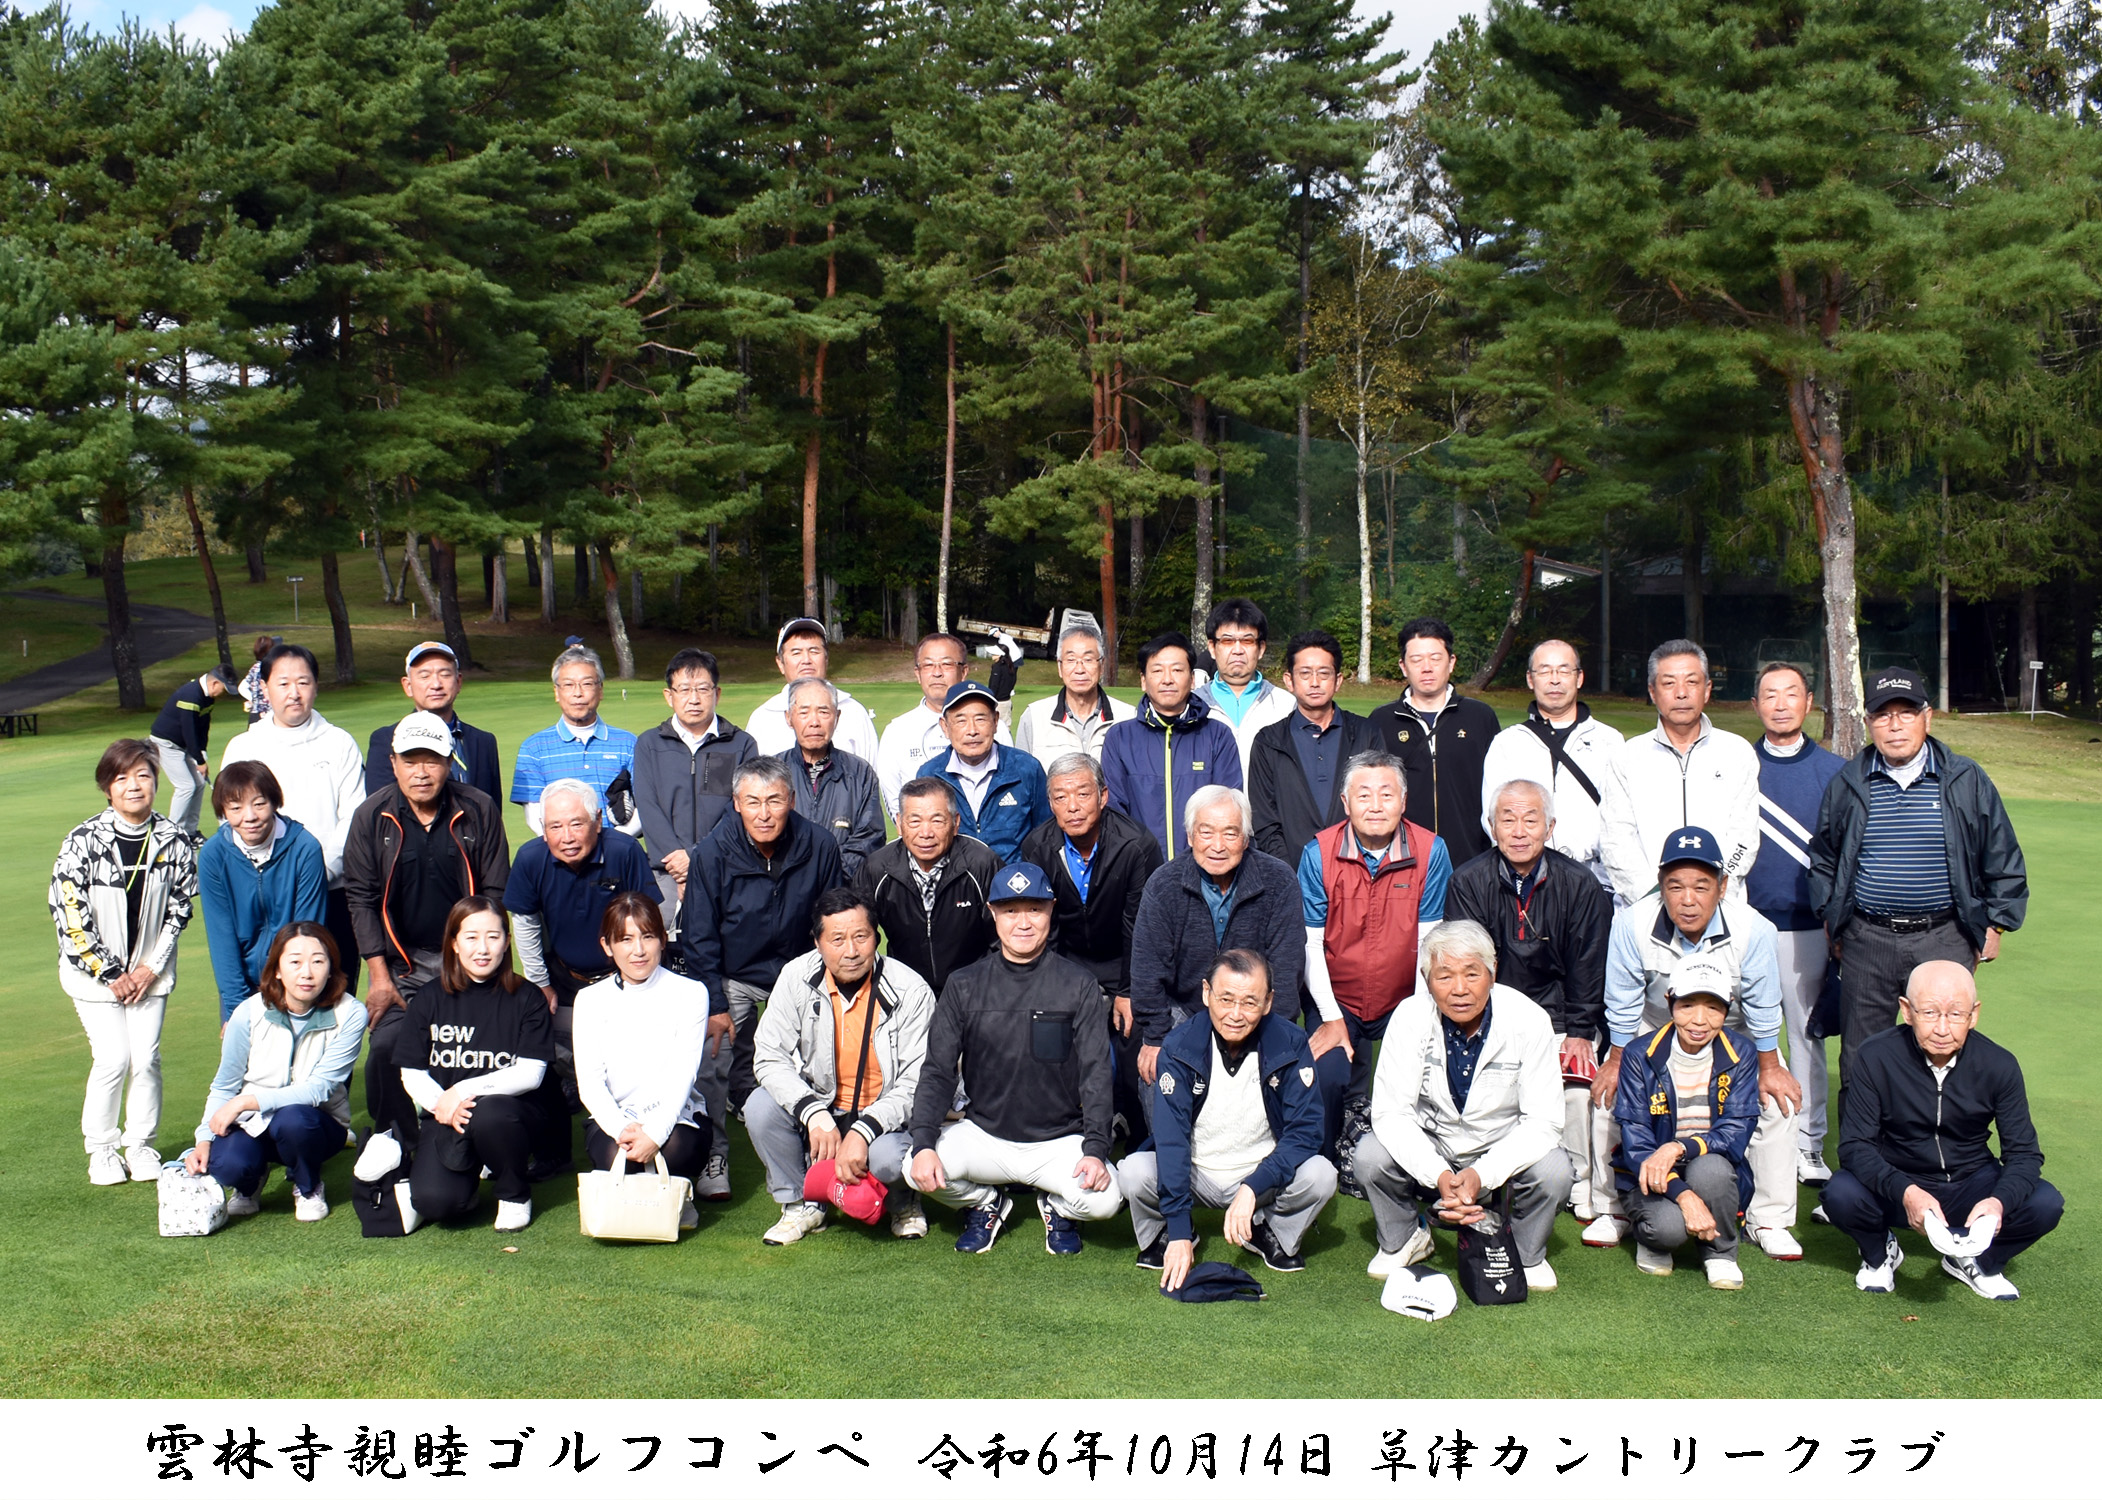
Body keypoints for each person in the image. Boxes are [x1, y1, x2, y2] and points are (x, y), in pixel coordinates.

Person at [1809, 668, 2027, 1092]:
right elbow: (1824, 858)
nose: (1895, 725)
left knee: (1941, 1048)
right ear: (1869, 722)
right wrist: (1830, 916)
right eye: (1883, 715)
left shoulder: (1964, 779)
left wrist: (1997, 923)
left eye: (1906, 713)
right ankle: (1862, 1154)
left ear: (1927, 717)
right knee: (1861, 1054)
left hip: (1943, 935)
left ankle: (1936, 1153)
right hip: (1867, 939)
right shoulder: (1849, 781)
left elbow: (2000, 852)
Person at [1594, 825, 1803, 1259]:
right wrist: (1616, 1060)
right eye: (1675, 886)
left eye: (1701, 886)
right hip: (1655, 1026)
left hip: (1736, 1030)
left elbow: (1764, 1004)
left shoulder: (1754, 929)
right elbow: (1622, 998)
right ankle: (1611, 1206)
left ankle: (1770, 1217)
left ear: (1722, 886)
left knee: (1776, 1102)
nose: (1687, 899)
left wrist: (1768, 1066)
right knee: (1609, 1096)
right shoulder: (1631, 922)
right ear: (1660, 884)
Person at [908, 863, 1123, 1253]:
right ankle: (986, 1203)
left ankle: (1058, 1207)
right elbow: (938, 1071)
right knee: (913, 1165)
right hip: (985, 1137)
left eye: (1034, 909)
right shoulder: (964, 984)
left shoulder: (1078, 984)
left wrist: (1095, 1150)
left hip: (1058, 1141)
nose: (1023, 922)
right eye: (1010, 910)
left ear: (1051, 910)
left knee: (1106, 1201)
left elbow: (1095, 1073)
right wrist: (924, 1141)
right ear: (992, 913)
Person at [1354, 920, 1574, 1289]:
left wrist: (1481, 1175)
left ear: (1493, 973)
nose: (1459, 989)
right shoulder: (1409, 1017)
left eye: (1472, 974)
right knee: (1369, 1156)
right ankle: (1405, 1238)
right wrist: (1439, 1175)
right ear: (1426, 980)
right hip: (1433, 1140)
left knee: (1555, 1170)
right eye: (1444, 976)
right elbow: (1391, 1114)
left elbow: (1543, 1122)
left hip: (1500, 1141)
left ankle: (1523, 1250)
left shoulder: (1530, 1019)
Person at [1823, 961, 2061, 1301]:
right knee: (1840, 1193)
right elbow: (1855, 1147)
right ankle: (1879, 1252)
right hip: (1900, 1180)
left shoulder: (1999, 1064)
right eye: (1930, 1013)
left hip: (1971, 1182)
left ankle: (1977, 1260)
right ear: (1907, 1010)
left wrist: (1997, 1203)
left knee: (2046, 1202)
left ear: (1974, 1015)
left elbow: (2023, 1153)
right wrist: (1907, 1193)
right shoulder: (1876, 1056)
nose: (1942, 1028)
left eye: (1956, 1014)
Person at [1444, 777, 1613, 1221]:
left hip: (1559, 1015)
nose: (1519, 830)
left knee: (1577, 1094)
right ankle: (1486, 1174)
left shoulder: (1580, 884)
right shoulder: (1468, 880)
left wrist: (1579, 1031)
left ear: (1550, 826)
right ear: (1492, 827)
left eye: (1530, 819)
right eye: (1508, 819)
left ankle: (1575, 1181)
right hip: (1490, 1013)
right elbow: (1468, 963)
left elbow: (1587, 963)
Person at [343, 712, 511, 1148]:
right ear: (393, 762)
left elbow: (494, 891)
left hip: (468, 957)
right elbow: (360, 897)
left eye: (432, 760)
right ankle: (396, 1146)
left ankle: (475, 1143)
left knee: (480, 1050)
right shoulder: (371, 816)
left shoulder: (478, 808)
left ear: (449, 761)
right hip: (402, 966)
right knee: (386, 1049)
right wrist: (378, 975)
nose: (422, 772)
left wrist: (479, 960)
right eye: (411, 760)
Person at [681, 757, 845, 1199]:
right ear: (736, 804)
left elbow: (832, 917)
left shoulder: (820, 844)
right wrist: (714, 1005)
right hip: (735, 975)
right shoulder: (712, 853)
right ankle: (715, 1153)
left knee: (820, 1059)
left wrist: (823, 980)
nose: (764, 812)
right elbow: (698, 934)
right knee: (713, 1063)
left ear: (791, 800)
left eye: (774, 800)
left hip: (801, 970)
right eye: (752, 802)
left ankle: (817, 1144)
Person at [1122, 949, 1338, 1282]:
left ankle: (1272, 1232)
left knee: (1321, 1174)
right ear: (1206, 993)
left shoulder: (1291, 1042)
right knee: (1134, 1171)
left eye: (1250, 1002)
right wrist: (1179, 1229)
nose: (1236, 1014)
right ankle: (1169, 1232)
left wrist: (1254, 1186)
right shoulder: (1179, 1046)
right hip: (1197, 1171)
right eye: (1226, 999)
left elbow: (1306, 1131)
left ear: (1268, 1002)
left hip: (1261, 1173)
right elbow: (1171, 1139)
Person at [750, 889, 936, 1244]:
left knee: (886, 1158)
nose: (851, 951)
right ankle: (801, 1204)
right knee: (759, 1107)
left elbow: (919, 1081)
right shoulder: (795, 977)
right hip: (824, 1106)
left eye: (861, 937)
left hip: (886, 1118)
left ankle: (903, 1201)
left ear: (876, 938)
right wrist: (813, 1113)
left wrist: (865, 1130)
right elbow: (768, 1054)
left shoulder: (911, 990)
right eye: (837, 939)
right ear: (818, 943)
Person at [50, 739, 198, 1185]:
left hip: (151, 973)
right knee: (114, 1058)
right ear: (107, 787)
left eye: (144, 776)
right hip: (94, 978)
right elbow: (68, 913)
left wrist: (149, 968)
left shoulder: (173, 840)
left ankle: (141, 1144)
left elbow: (180, 907)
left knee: (146, 1058)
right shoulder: (82, 842)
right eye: (122, 778)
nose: (134, 786)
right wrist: (112, 974)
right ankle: (102, 1149)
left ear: (156, 782)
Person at [1129, 786, 1309, 1111]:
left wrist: (1269, 1037)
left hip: (1254, 1012)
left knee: (1274, 1083)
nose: (1217, 845)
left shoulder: (1279, 880)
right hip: (1185, 1011)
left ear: (1245, 838)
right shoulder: (1163, 884)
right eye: (1206, 832)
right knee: (1158, 1071)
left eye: (1230, 833)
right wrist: (1155, 1038)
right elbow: (1147, 970)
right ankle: (1171, 1156)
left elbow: (1286, 968)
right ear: (1189, 836)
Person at [1017, 752, 1163, 1140]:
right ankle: (1055, 1131)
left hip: (1124, 964)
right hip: (1068, 964)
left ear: (1103, 796)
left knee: (1133, 1045)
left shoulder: (1136, 845)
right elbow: (1042, 925)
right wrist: (1047, 987)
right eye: (1061, 797)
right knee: (1049, 1042)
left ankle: (1136, 1136)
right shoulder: (1038, 846)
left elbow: (1141, 926)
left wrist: (1129, 991)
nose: (1073, 806)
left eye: (1082, 794)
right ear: (1050, 804)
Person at [1299, 753, 1451, 1118]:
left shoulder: (1431, 850)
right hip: (1337, 996)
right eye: (1363, 795)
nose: (1376, 806)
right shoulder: (1318, 852)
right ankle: (1330, 1161)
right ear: (1345, 803)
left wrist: (1417, 1019)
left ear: (1403, 800)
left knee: (1424, 1074)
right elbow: (1312, 945)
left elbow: (1428, 942)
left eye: (1386, 795)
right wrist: (1331, 1017)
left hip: (1404, 994)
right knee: (1326, 1074)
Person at [181, 922, 367, 1221]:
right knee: (227, 1164)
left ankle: (308, 1187)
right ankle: (249, 1184)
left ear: (331, 968)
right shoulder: (248, 1012)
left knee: (293, 1118)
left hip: (316, 1124)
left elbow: (318, 1089)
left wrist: (245, 1102)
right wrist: (203, 1139)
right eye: (295, 962)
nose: (306, 972)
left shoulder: (351, 1013)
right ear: (277, 969)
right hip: (252, 1124)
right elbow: (224, 1085)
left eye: (318, 961)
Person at [400, 896, 560, 1231]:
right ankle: (470, 1170)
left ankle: (513, 1193)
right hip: (449, 1117)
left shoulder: (527, 998)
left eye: (493, 936)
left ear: (507, 942)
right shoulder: (429, 997)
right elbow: (411, 1070)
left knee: (491, 1113)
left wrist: (460, 1090)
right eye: (471, 937)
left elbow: (531, 1074)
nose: (483, 948)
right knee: (436, 1202)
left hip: (508, 1116)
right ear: (455, 943)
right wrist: (442, 1105)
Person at [507, 779, 655, 1135]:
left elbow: (646, 922)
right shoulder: (530, 859)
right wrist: (539, 983)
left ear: (598, 821)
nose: (567, 836)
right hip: (563, 976)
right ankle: (555, 1130)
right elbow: (524, 926)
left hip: (620, 977)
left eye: (576, 823)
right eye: (555, 826)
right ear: (543, 831)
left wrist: (637, 983)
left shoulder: (624, 852)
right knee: (528, 1036)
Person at [1746, 661, 1846, 1183]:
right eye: (1770, 694)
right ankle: (1744, 1137)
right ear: (1755, 704)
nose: (1781, 704)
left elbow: (1849, 852)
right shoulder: (1737, 764)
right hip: (1743, 926)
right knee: (1743, 1036)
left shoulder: (1834, 771)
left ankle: (1808, 1145)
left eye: (1792, 694)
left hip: (1810, 926)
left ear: (1809, 703)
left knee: (1806, 1039)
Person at [220, 643, 368, 992]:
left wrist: (318, 873)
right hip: (263, 895)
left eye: (303, 682)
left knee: (332, 999)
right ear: (265, 687)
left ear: (315, 686)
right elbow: (231, 821)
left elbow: (353, 818)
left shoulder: (339, 743)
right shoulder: (243, 747)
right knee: (268, 1001)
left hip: (332, 893)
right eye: (283, 683)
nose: (294, 693)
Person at [1610, 954, 1760, 1289]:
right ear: (1669, 1001)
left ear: (1729, 1007)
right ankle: (1653, 1238)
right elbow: (1637, 1143)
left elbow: (1736, 1132)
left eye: (1713, 1007)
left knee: (1713, 1170)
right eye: (1688, 1004)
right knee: (1667, 1230)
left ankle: (1720, 1251)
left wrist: (1678, 1146)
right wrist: (1684, 1195)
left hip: (1704, 1162)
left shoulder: (1742, 1052)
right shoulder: (1639, 1053)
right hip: (1649, 1172)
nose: (1700, 1019)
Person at [573, 892, 718, 1234]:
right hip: (617, 1118)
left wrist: (654, 1133)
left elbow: (685, 1073)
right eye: (625, 939)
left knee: (676, 1150)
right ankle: (653, 1201)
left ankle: (676, 1197)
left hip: (674, 1115)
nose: (638, 950)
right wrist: (623, 1129)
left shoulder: (691, 992)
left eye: (648, 936)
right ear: (607, 946)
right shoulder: (589, 1000)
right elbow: (590, 1083)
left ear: (662, 940)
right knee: (613, 1156)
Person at [1597, 640, 1759, 907]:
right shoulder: (1627, 757)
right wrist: (1658, 901)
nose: (1681, 693)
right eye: (1669, 683)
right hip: (1646, 913)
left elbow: (1744, 839)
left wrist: (1713, 896)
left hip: (1722, 911)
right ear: (1652, 691)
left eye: (1692, 682)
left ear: (1707, 690)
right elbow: (1617, 843)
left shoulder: (1736, 753)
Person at [1476, 639, 1623, 890]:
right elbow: (1493, 816)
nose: (1554, 679)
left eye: (1564, 670)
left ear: (1579, 678)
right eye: (1544, 670)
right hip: (1524, 880)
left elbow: (1620, 817)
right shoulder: (1507, 743)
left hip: (1595, 880)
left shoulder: (1609, 741)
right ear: (1530, 679)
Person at [196, 760, 330, 1024]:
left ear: (274, 801)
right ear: (223, 810)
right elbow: (221, 937)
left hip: (298, 982)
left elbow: (307, 933)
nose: (249, 817)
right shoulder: (213, 855)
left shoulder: (305, 848)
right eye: (235, 808)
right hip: (241, 987)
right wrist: (235, 1012)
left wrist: (289, 1000)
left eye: (259, 804)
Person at [632, 647, 757, 922]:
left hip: (723, 870)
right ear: (669, 696)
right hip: (665, 873)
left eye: (702, 689)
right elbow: (648, 806)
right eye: (684, 690)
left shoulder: (741, 744)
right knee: (659, 950)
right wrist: (678, 861)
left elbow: (739, 812)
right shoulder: (649, 744)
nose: (694, 699)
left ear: (717, 693)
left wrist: (698, 858)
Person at [1366, 618, 1500, 867]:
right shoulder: (1381, 721)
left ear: (1451, 662)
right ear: (1403, 666)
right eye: (1416, 660)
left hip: (1472, 858)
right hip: (1402, 861)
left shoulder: (1480, 717)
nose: (1426, 667)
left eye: (1435, 658)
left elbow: (1500, 790)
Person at [1100, 631, 1243, 859]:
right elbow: (1115, 812)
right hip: (1140, 871)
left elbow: (1230, 807)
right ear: (1143, 681)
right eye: (1157, 671)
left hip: (1204, 868)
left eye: (1177, 670)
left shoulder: (1217, 736)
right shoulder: (1120, 738)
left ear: (1192, 679)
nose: (1168, 679)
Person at [852, 777, 1000, 996]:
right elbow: (858, 932)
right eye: (915, 821)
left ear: (956, 823)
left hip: (974, 989)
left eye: (937, 821)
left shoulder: (981, 863)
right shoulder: (877, 868)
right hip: (904, 990)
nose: (926, 833)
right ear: (899, 823)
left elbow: (1002, 936)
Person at [1247, 628, 1383, 865]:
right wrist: (1288, 874)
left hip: (1358, 872)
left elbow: (1379, 805)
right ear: (1289, 680)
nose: (1315, 682)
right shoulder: (1268, 742)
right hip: (1292, 873)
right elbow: (1265, 820)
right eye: (1305, 673)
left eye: (1324, 673)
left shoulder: (1366, 734)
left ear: (1338, 680)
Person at [878, 631, 1016, 820]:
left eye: (946, 664)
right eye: (928, 665)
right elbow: (896, 806)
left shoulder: (994, 727)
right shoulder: (897, 732)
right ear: (918, 674)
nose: (937, 672)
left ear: (964, 672)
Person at [511, 645, 640, 837]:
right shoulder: (533, 748)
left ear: (600, 690)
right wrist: (568, 846)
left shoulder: (629, 744)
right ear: (557, 692)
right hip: (561, 855)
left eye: (587, 684)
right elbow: (535, 816)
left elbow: (645, 806)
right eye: (569, 685)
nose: (578, 693)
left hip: (617, 856)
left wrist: (614, 845)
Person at [917, 681, 1051, 863]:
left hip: (1015, 886)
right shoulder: (930, 775)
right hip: (955, 887)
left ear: (996, 722)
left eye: (980, 719)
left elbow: (1045, 837)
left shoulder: (1026, 768)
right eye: (961, 720)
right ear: (945, 727)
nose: (972, 730)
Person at [361, 641, 502, 804]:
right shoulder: (386, 739)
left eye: (445, 674)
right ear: (408, 686)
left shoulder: (484, 741)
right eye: (424, 676)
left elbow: (493, 809)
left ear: (458, 682)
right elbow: (382, 809)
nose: (436, 684)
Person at [785, 678, 886, 880]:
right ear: (789, 717)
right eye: (804, 712)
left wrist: (828, 876)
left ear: (837, 717)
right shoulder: (773, 771)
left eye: (823, 712)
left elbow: (869, 838)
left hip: (843, 894)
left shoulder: (859, 773)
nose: (814, 722)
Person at [747, 618, 881, 765]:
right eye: (796, 652)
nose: (806, 660)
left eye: (814, 651)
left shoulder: (854, 712)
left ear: (826, 659)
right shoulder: (762, 718)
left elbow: (870, 775)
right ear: (780, 663)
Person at [1014, 620, 1133, 771]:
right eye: (1071, 660)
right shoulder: (1034, 717)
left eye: (1088, 660)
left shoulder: (1127, 717)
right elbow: (1023, 780)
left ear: (1101, 666)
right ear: (1059, 667)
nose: (1079, 669)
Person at [1203, 598, 1296, 768]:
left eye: (1247, 641)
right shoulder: (1194, 705)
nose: (1237, 650)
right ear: (1212, 647)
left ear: (1261, 648)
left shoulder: (1286, 705)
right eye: (1227, 641)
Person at [147, 665, 236, 836]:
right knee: (186, 786)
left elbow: (202, 726)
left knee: (199, 783)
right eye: (223, 689)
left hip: (183, 745)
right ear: (215, 683)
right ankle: (172, 832)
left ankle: (190, 831)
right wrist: (199, 761)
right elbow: (189, 730)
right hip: (166, 743)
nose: (223, 693)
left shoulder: (207, 698)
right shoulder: (191, 695)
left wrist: (202, 752)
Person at [236, 633, 275, 725]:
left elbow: (242, 687)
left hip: (255, 714)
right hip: (269, 714)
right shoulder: (271, 668)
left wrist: (254, 700)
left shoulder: (255, 668)